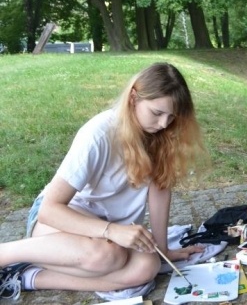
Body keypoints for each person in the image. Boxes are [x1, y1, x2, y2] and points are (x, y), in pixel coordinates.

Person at [0, 63, 207, 300]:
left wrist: (163, 249)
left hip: (108, 232)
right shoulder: (99, 134)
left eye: (172, 117)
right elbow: (50, 210)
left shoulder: (161, 136)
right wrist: (112, 231)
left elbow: (159, 191)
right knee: (108, 256)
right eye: (157, 113)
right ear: (133, 98)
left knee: (148, 267)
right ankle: (6, 254)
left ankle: (28, 277)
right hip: (60, 221)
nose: (163, 124)